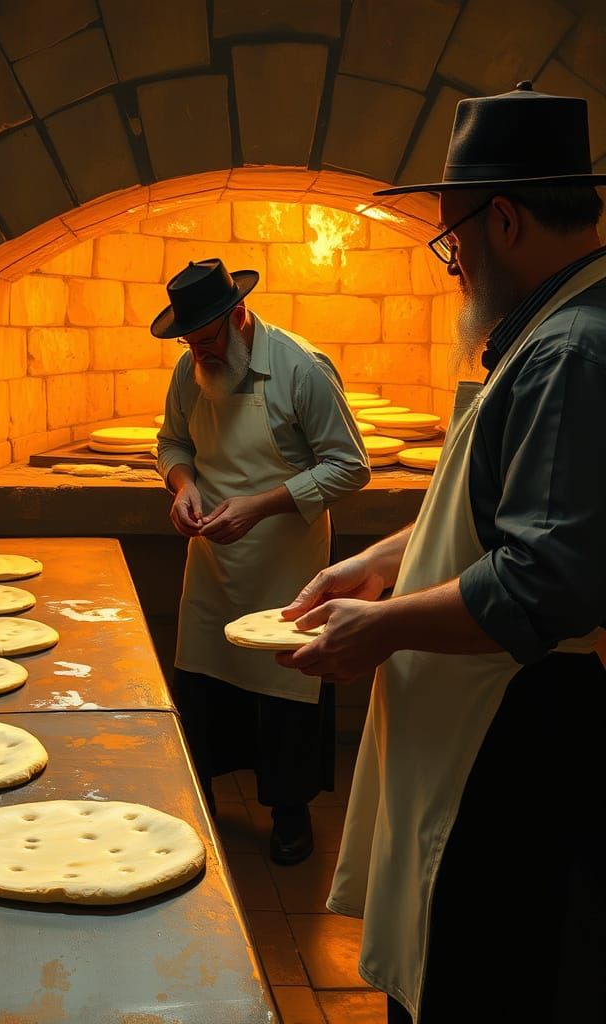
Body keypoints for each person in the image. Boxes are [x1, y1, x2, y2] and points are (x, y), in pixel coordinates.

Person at [279, 82, 606, 1022]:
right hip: (497, 739)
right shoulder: (555, 328)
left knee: (484, 975)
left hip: (515, 748)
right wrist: (388, 558)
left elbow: (542, 582)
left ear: (503, 218)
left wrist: (380, 628)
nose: (451, 259)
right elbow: (500, 507)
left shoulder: (570, 352)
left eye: (449, 235)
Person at [154, 258, 370, 865]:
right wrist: (183, 486)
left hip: (286, 565)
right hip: (213, 565)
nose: (199, 353)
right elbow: (172, 442)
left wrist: (260, 506)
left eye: (207, 340)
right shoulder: (189, 369)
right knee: (206, 684)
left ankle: (290, 815)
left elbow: (350, 466)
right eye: (189, 343)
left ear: (238, 316)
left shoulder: (302, 368)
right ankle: (202, 803)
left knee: (284, 691)